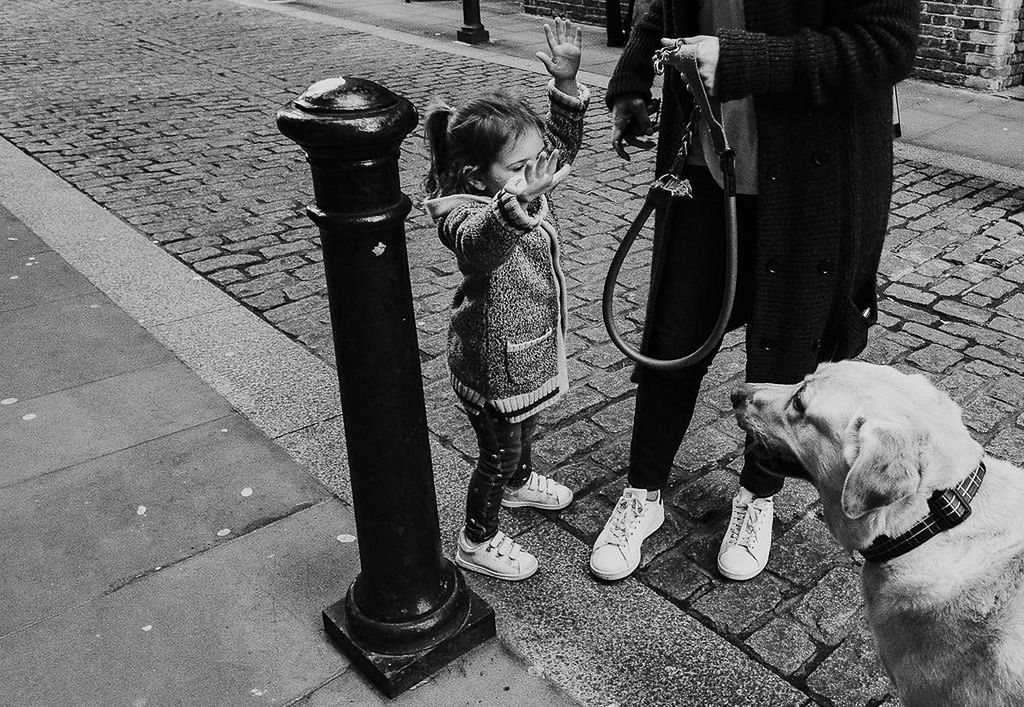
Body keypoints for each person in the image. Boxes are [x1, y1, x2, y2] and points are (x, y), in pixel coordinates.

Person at [589, 0, 920, 582]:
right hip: (700, 168)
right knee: (673, 337)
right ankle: (643, 491)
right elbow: (668, 6)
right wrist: (633, 77)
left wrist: (747, 61)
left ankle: (756, 498)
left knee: (787, 356)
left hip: (810, 179)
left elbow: (887, 43)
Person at [423, 18, 589, 581]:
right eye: (518, 169)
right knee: (497, 453)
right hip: (495, 360)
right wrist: (515, 206)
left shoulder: (515, 185)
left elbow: (557, 153)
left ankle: (520, 485)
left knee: (524, 431)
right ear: (475, 176)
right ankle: (479, 536)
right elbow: (482, 247)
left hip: (529, 348)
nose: (533, 176)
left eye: (531, 163)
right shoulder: (465, 215)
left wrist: (565, 88)